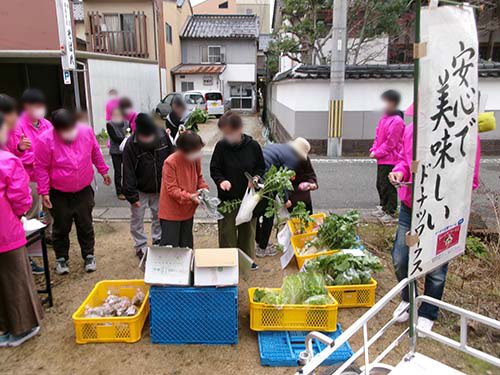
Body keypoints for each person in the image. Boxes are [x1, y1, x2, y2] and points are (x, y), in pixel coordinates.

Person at [388, 104, 485, 334]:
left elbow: (471, 178)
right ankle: (408, 298)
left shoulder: (466, 133)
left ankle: (429, 310)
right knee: (401, 257)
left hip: (444, 210)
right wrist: (399, 171)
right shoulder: (412, 130)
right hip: (411, 205)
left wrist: (446, 188)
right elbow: (403, 159)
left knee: (437, 264)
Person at [34, 109, 111, 275]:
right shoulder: (45, 140)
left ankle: (89, 255)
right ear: (56, 129)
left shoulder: (85, 132)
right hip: (59, 192)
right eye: (65, 130)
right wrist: (44, 192)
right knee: (61, 226)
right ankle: (61, 258)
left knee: (85, 224)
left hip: (83, 189)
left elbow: (95, 152)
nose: (69, 132)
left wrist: (103, 171)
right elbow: (41, 167)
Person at [0, 114, 44, 347]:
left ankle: (6, 328)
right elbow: (20, 198)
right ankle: (24, 327)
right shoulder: (7, 160)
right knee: (16, 277)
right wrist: (19, 215)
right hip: (6, 229)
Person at [210, 112, 265, 266]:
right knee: (227, 232)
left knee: (247, 231)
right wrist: (221, 181)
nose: (227, 136)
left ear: (239, 129)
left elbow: (260, 167)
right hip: (227, 199)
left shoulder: (253, 146)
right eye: (224, 133)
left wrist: (255, 178)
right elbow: (215, 169)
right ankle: (227, 261)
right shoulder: (221, 147)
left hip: (248, 198)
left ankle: (246, 261)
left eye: (229, 133)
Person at [123, 113, 174, 258]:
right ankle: (140, 245)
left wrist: (171, 184)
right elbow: (128, 172)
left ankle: (158, 239)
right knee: (137, 218)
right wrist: (132, 196)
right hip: (140, 189)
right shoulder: (131, 145)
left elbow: (172, 158)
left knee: (159, 215)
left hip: (160, 187)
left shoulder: (163, 136)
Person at [255, 138, 310, 258]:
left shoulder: (279, 147)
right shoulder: (292, 158)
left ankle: (259, 242)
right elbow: (283, 180)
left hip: (255, 175)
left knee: (256, 212)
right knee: (268, 213)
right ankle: (262, 248)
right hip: (265, 180)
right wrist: (286, 200)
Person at [159, 130, 208, 248]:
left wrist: (204, 189)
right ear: (185, 150)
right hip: (171, 212)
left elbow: (199, 177)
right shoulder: (170, 162)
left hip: (188, 210)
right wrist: (190, 196)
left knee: (186, 247)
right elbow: (172, 190)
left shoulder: (195, 158)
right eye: (196, 150)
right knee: (171, 248)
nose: (198, 153)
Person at [369, 89, 405, 224]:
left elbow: (392, 142)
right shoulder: (384, 118)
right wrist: (374, 149)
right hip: (382, 158)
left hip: (391, 158)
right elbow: (378, 137)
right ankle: (383, 207)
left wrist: (377, 152)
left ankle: (390, 211)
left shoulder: (396, 121)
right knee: (380, 184)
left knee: (388, 186)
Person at [17, 89, 52, 221]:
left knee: (50, 209)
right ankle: (34, 240)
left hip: (48, 176)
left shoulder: (46, 124)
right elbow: (19, 155)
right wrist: (43, 159)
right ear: (26, 106)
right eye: (36, 106)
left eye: (41, 106)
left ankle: (50, 235)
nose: (40, 109)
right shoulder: (17, 126)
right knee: (33, 213)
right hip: (30, 177)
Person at [106, 107, 131, 200]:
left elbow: (130, 133)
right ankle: (119, 191)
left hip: (126, 150)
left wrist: (129, 139)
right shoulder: (109, 124)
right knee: (118, 172)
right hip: (115, 151)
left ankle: (127, 190)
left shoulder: (126, 123)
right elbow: (115, 138)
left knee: (127, 171)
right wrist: (126, 139)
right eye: (115, 114)